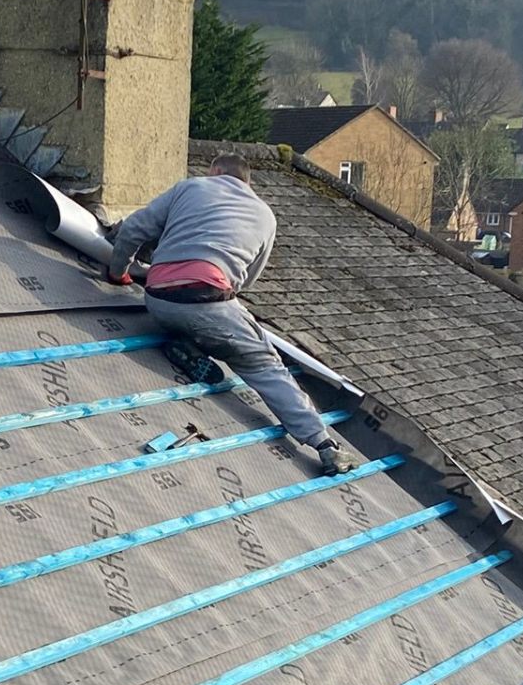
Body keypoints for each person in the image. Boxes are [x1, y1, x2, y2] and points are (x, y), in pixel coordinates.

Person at [107, 156, 363, 475]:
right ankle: (324, 445)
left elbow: (134, 228)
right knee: (264, 365)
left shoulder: (190, 187)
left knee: (203, 322)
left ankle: (187, 344)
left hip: (157, 300)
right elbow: (244, 281)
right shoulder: (266, 217)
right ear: (248, 183)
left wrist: (118, 273)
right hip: (210, 305)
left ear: (215, 171)